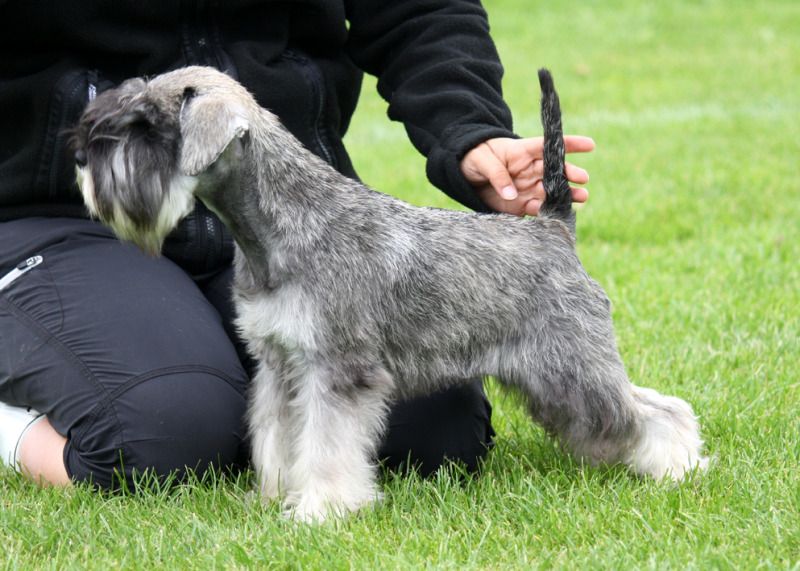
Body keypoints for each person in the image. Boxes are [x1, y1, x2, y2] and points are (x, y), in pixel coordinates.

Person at [0, 0, 594, 489]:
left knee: (434, 435)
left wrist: (469, 128)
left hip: (283, 205)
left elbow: (422, 8)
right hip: (62, 212)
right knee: (158, 438)